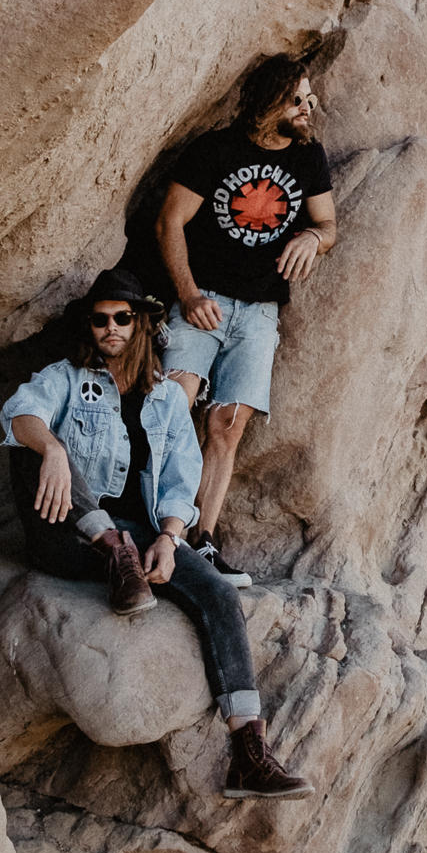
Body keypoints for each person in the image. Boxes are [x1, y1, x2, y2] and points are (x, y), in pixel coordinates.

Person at [0, 265, 310, 799]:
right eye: (100, 321)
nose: (111, 329)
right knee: (32, 451)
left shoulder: (166, 398)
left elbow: (179, 483)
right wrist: (50, 447)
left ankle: (249, 753)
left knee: (216, 591)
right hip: (68, 534)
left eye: (122, 318)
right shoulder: (67, 379)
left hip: (141, 538)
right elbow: (19, 411)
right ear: (90, 328)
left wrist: (167, 540)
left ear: (141, 323)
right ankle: (111, 547)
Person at [154, 56, 337, 583]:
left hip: (258, 313)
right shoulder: (215, 150)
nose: (308, 109)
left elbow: (328, 224)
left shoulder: (309, 158)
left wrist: (311, 237)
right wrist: (187, 295)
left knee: (227, 425)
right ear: (268, 104)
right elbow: (170, 220)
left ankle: (200, 542)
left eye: (311, 99)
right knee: (171, 407)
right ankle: (156, 528)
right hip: (201, 303)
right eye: (297, 101)